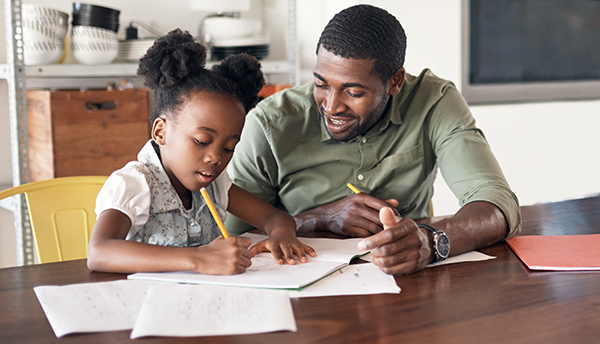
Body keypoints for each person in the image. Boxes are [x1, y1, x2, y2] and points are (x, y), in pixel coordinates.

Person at [225, 5, 521, 275]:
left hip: (407, 282)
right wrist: (319, 218)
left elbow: (497, 205)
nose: (330, 106)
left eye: (353, 92)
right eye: (320, 84)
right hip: (298, 284)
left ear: (395, 82)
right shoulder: (270, 123)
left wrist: (430, 242)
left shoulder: (433, 102)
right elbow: (234, 237)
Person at [88, 29, 315, 275]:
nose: (216, 158)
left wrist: (281, 235)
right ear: (161, 132)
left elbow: (275, 218)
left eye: (229, 148)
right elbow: (100, 252)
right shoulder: (135, 183)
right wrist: (198, 258)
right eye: (201, 141)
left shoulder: (215, 185)